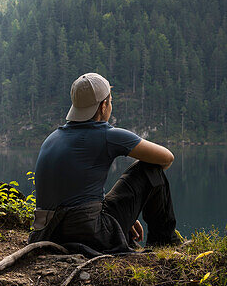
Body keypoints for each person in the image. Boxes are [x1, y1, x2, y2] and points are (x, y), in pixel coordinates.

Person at [28, 72, 181, 255]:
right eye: (111, 101)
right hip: (92, 234)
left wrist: (127, 214)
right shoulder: (107, 135)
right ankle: (165, 243)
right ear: (103, 106)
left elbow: (77, 197)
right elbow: (166, 158)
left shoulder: (53, 138)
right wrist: (137, 202)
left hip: (50, 233)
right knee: (150, 169)